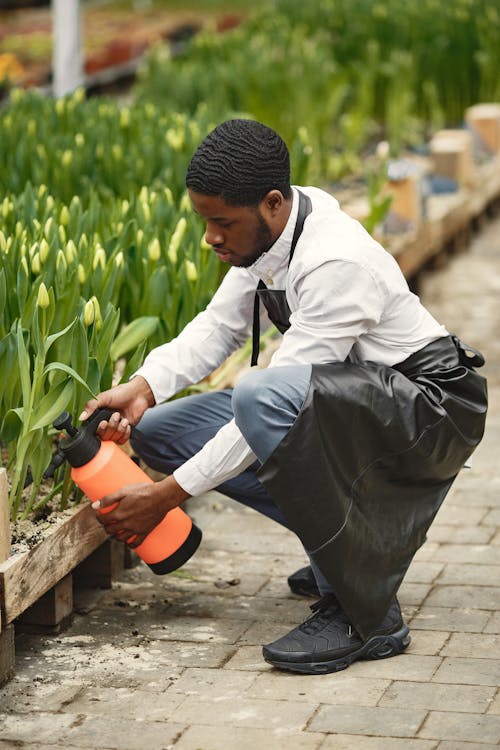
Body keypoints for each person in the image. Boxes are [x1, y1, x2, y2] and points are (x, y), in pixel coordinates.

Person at [80, 119, 487, 675]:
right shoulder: (277, 233)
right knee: (160, 428)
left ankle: (366, 615)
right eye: (204, 221)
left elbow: (273, 405)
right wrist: (144, 387)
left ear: (272, 203)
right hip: (358, 405)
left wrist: (167, 495)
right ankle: (341, 550)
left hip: (429, 409)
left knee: (261, 394)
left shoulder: (333, 261)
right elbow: (218, 326)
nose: (210, 238)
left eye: (222, 222)